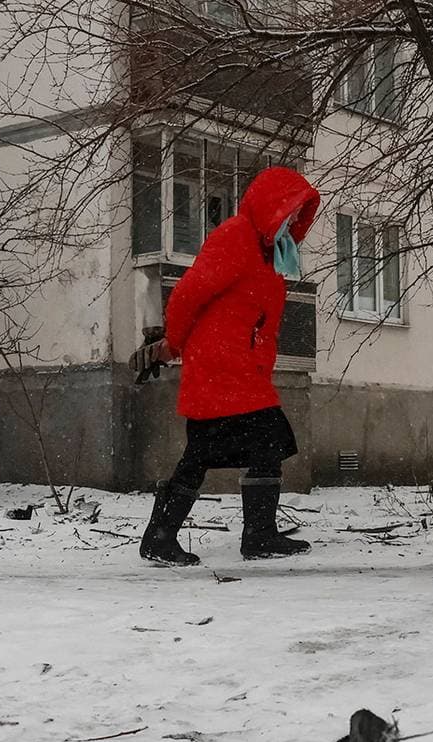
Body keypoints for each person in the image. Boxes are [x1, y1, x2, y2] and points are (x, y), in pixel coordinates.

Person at [132, 165, 320, 566]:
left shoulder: (271, 255)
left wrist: (257, 366)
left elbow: (259, 323)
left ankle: (244, 535)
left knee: (248, 446)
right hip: (219, 367)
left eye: (297, 214)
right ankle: (181, 536)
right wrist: (174, 343)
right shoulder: (237, 237)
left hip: (241, 371)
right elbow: (188, 294)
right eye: (287, 210)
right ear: (269, 207)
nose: (291, 220)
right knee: (244, 443)